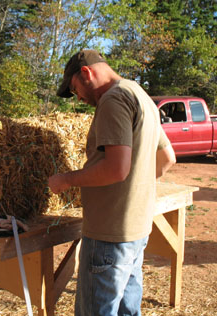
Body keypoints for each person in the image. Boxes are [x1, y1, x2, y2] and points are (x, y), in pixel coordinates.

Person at [48, 49, 176, 316]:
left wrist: (66, 180)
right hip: (137, 229)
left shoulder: (113, 99)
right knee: (127, 311)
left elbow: (116, 169)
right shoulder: (140, 95)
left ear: (86, 73)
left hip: (109, 234)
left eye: (75, 90)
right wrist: (135, 185)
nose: (79, 99)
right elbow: (167, 158)